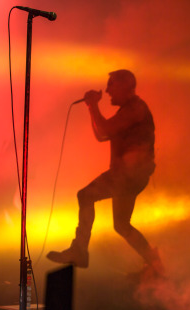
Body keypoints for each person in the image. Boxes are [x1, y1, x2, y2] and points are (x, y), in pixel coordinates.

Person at [47, 69, 163, 277]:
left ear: (124, 86)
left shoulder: (135, 108)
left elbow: (104, 131)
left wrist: (92, 105)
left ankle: (80, 250)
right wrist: (93, 109)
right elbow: (102, 135)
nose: (107, 90)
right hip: (129, 176)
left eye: (111, 85)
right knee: (121, 225)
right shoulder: (129, 109)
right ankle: (156, 267)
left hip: (128, 176)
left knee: (85, 196)